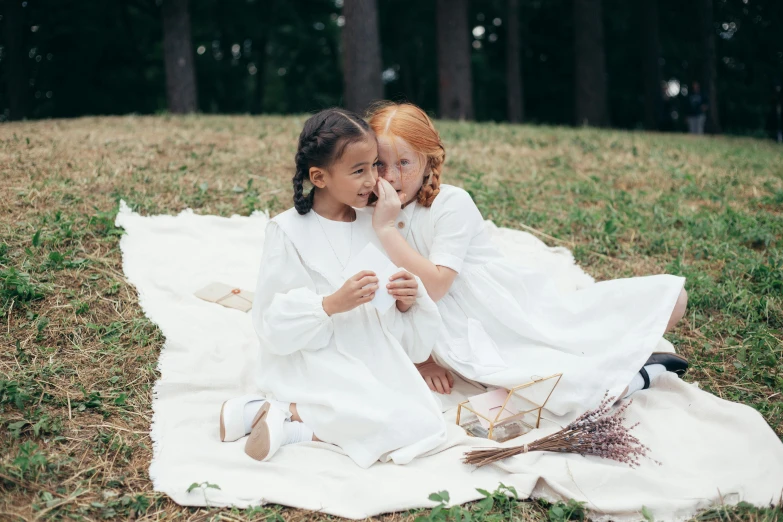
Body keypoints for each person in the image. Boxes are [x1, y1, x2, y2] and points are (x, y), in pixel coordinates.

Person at [365, 102, 690, 417]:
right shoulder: (367, 215)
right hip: (445, 335)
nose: (391, 177)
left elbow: (436, 286)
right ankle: (641, 373)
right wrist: (423, 360)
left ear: (427, 160)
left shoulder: (450, 202)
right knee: (557, 398)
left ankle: (636, 364)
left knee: (669, 301)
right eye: (380, 164)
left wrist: (387, 228)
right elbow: (387, 296)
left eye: (404, 163)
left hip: (502, 315)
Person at [219, 108, 447, 467]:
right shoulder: (288, 231)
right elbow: (270, 322)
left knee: (423, 421)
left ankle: (277, 418)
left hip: (370, 350)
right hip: (314, 355)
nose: (373, 179)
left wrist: (406, 301)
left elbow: (390, 314)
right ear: (319, 177)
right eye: (359, 171)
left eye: (375, 166)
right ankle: (287, 411)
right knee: (382, 416)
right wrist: (329, 304)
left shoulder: (375, 222)